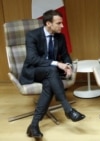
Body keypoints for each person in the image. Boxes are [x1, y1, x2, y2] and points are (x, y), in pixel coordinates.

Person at [19, 10, 85, 138]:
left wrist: (69, 66)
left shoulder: (60, 37)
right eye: (59, 23)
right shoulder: (32, 36)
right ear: (48, 23)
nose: (62, 26)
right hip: (33, 71)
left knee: (49, 82)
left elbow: (65, 55)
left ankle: (34, 125)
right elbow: (33, 59)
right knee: (52, 69)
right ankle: (68, 109)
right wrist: (57, 63)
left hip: (50, 74)